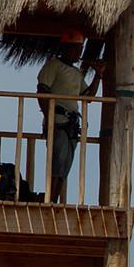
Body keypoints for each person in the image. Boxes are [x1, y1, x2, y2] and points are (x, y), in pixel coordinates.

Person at [35, 32, 97, 202]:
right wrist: (49, 120)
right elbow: (42, 93)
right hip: (58, 122)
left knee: (64, 166)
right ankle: (49, 198)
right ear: (66, 48)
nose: (79, 52)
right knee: (57, 162)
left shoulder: (76, 73)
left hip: (70, 124)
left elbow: (88, 97)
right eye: (76, 48)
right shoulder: (54, 66)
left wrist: (98, 75)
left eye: (80, 48)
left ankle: (53, 197)